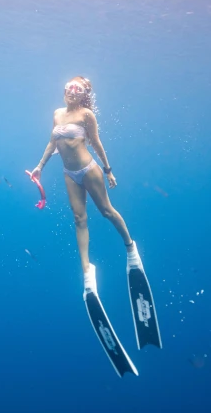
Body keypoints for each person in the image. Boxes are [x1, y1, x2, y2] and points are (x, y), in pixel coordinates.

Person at [28, 76, 142, 294]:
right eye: (69, 87)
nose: (72, 91)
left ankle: (130, 247)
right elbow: (53, 142)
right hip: (69, 174)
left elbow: (97, 143)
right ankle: (87, 271)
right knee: (79, 219)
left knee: (107, 211)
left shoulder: (86, 115)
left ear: (83, 95)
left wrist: (108, 171)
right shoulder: (57, 114)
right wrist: (40, 166)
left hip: (89, 170)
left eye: (77, 89)